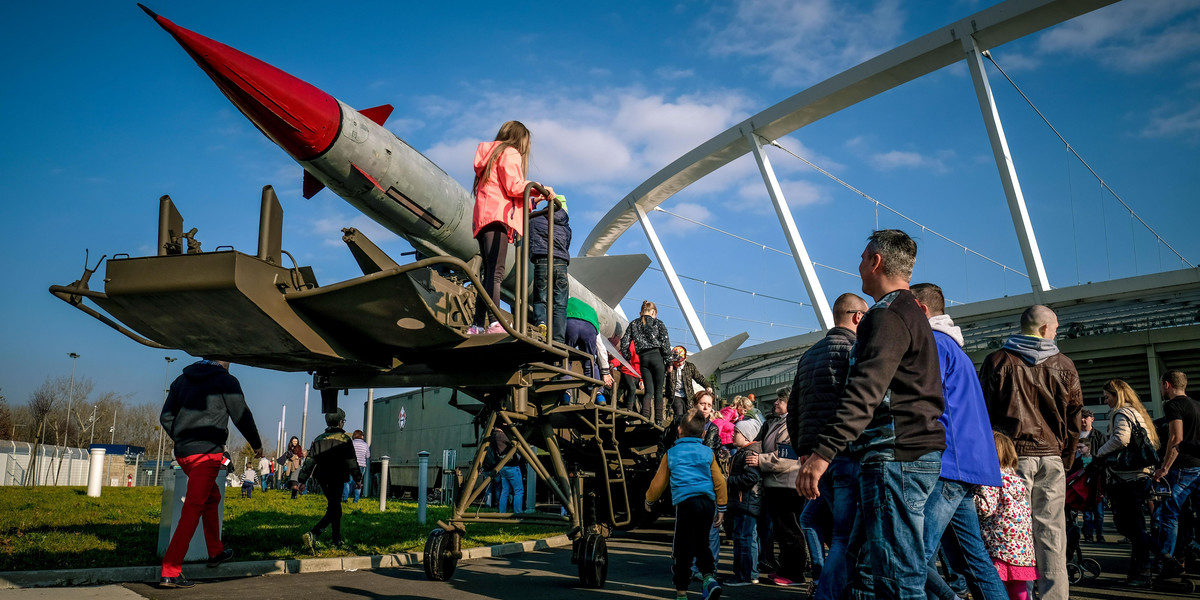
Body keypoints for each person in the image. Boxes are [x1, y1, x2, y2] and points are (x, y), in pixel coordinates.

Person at [797, 229, 947, 600]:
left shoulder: (886, 316)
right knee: (867, 570)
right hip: (908, 453)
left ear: (875, 261)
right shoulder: (910, 312)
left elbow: (865, 389)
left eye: (863, 257)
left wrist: (822, 454)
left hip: (893, 455)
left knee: (897, 578)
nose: (859, 265)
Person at [909, 282, 1007, 600]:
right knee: (971, 560)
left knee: (913, 555)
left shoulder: (934, 345)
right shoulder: (954, 347)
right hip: (963, 464)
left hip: (948, 462)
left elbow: (922, 400)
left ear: (921, 310)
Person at [981, 304, 1082, 600]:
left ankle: (1017, 593)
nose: (1057, 332)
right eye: (1055, 328)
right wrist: (1065, 458)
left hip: (1012, 458)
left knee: (1013, 531)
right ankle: (1054, 596)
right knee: (1051, 532)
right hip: (1051, 456)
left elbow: (983, 412)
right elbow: (1074, 418)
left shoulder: (998, 360)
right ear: (1042, 329)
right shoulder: (1064, 364)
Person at [787, 292, 866, 600]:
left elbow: (794, 408)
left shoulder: (809, 356)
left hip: (814, 459)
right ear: (858, 317)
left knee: (832, 529)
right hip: (845, 454)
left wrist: (803, 450)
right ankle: (829, 593)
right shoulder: (853, 350)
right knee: (845, 535)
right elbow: (857, 404)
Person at [158, 358, 263, 589]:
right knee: (193, 508)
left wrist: (184, 438)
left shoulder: (181, 380)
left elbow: (165, 417)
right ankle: (171, 570)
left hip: (184, 453)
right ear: (223, 359)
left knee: (212, 497)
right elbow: (241, 415)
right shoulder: (226, 381)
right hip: (207, 454)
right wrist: (256, 444)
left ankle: (215, 551)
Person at [470, 120, 553, 334]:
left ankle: (477, 324)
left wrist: (534, 201)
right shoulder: (510, 153)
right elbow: (515, 186)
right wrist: (541, 190)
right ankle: (495, 322)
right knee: (496, 274)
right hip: (498, 218)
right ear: (520, 139)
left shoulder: (491, 155)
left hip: (485, 217)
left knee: (489, 274)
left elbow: (504, 192)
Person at [645, 407, 728, 600]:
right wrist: (721, 508)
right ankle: (708, 578)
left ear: (679, 431)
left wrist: (649, 500)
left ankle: (681, 592)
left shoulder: (671, 453)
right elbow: (719, 481)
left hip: (686, 503)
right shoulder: (708, 453)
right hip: (707, 503)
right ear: (704, 433)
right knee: (702, 542)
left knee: (682, 547)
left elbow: (659, 482)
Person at [1093, 379, 1169, 586]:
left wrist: (1099, 452)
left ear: (1117, 395)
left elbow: (1121, 439)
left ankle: (1152, 563)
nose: (1105, 400)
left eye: (1107, 396)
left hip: (1127, 478)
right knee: (1135, 526)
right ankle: (1147, 565)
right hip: (1141, 475)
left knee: (1130, 526)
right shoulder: (1138, 412)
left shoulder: (1121, 413)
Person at [746, 387, 807, 586]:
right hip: (776, 484)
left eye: (780, 400)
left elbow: (786, 457)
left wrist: (760, 460)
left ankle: (795, 573)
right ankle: (785, 569)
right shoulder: (779, 422)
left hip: (787, 484)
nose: (775, 403)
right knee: (782, 531)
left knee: (790, 530)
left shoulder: (791, 424)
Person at [975, 432, 1037, 600]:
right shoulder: (1015, 477)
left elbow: (986, 507)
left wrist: (971, 497)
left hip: (999, 544)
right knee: (1018, 585)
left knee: (996, 583)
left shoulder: (991, 477)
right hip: (1021, 548)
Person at [1154, 370, 1200, 569]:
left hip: (1183, 468)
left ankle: (1168, 559)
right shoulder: (1197, 404)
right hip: (1199, 467)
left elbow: (1176, 438)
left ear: (1167, 384)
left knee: (1169, 513)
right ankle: (1192, 549)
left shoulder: (1173, 405)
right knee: (1192, 513)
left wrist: (1164, 468)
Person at [299, 409, 363, 551]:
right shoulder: (345, 439)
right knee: (335, 509)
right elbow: (352, 461)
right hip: (338, 477)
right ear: (340, 422)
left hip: (322, 477)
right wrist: (358, 478)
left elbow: (310, 461)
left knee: (334, 507)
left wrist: (302, 480)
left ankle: (336, 539)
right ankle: (314, 534)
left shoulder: (318, 439)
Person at [620, 300, 671, 425]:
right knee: (658, 391)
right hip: (657, 358)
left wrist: (627, 356)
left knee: (648, 391)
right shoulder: (658, 323)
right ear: (653, 312)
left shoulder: (634, 324)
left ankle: (645, 417)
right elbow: (665, 344)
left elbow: (625, 342)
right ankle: (658, 419)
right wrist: (669, 362)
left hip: (643, 359)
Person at [726, 418, 763, 586]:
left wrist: (728, 480)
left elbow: (751, 477)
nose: (733, 435)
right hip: (745, 503)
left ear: (747, 436)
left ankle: (745, 575)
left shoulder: (748, 453)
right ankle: (749, 573)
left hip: (746, 503)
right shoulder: (744, 451)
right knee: (746, 538)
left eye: (737, 432)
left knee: (744, 539)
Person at [529, 195, 570, 342]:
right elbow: (567, 244)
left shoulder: (534, 219)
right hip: (561, 263)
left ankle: (541, 323)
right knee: (560, 303)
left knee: (541, 298)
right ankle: (558, 338)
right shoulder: (566, 226)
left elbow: (529, 237)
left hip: (542, 261)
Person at [1076, 409, 1108, 542]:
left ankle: (1099, 534)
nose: (1083, 420)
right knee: (1086, 512)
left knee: (1099, 512)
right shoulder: (1074, 434)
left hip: (1096, 479)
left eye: (1086, 417)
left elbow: (1105, 457)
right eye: (1081, 417)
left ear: (1092, 419)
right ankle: (1088, 534)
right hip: (1080, 478)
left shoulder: (1099, 436)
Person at [666, 346, 712, 421]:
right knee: (679, 411)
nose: (677, 363)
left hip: (688, 395)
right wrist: (668, 371)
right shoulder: (669, 366)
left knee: (690, 413)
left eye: (679, 361)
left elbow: (699, 378)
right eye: (675, 361)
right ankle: (679, 428)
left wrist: (707, 386)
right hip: (675, 394)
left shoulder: (690, 367)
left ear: (685, 359)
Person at [492, 428, 526, 513]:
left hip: (502, 466)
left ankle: (502, 513)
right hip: (512, 466)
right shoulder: (503, 435)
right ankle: (518, 513)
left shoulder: (494, 436)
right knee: (518, 491)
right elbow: (516, 442)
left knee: (504, 491)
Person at [343, 430, 370, 503]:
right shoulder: (365, 445)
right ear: (361, 436)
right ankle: (356, 500)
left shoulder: (351, 443)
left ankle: (345, 498)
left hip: (351, 464)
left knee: (347, 482)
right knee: (358, 482)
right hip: (361, 465)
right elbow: (368, 456)